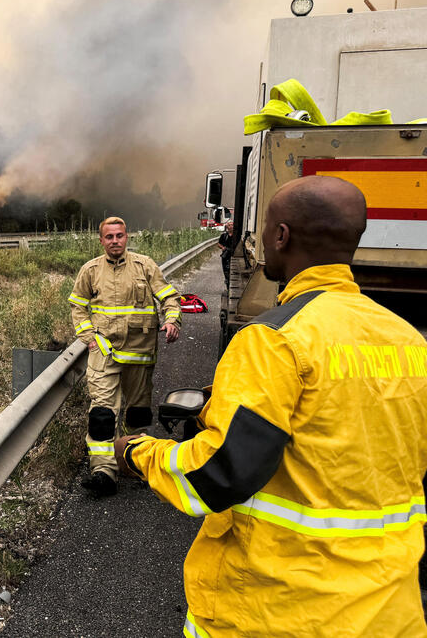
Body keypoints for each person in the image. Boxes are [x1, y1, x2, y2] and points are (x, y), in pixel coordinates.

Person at [115, 175, 427, 637]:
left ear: (281, 236)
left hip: (278, 611)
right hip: (390, 614)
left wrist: (140, 454)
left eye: (264, 228)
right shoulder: (408, 340)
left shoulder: (273, 340)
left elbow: (218, 473)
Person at [68, 216, 181, 497]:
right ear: (101, 240)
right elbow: (78, 306)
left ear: (127, 237)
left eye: (119, 235)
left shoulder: (145, 266)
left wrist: (172, 320)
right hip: (104, 353)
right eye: (109, 237)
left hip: (140, 353)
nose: (115, 241)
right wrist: (89, 337)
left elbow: (169, 297)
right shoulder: (90, 270)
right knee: (102, 413)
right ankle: (103, 472)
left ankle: (134, 462)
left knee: (137, 413)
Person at [217, 221, 234, 289]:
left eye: (232, 225)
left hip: (233, 255)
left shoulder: (236, 236)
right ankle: (227, 286)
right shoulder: (224, 235)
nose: (231, 226)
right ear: (227, 227)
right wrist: (223, 247)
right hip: (225, 256)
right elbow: (219, 244)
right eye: (229, 225)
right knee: (226, 271)